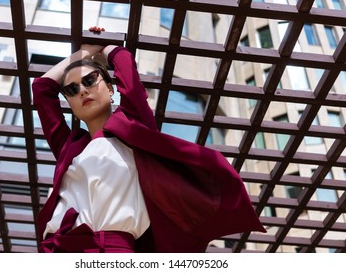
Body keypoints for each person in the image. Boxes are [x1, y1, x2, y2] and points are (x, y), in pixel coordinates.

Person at [32, 27, 265, 253]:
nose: (82, 90)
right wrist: (83, 53)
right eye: (71, 90)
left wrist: (105, 48)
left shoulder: (132, 130)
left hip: (114, 250)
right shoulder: (69, 148)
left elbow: (130, 80)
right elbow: (42, 88)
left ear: (111, 89)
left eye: (90, 80)